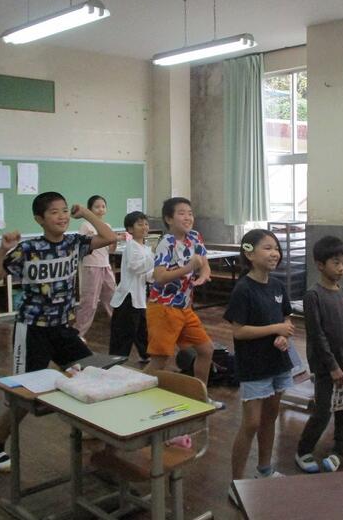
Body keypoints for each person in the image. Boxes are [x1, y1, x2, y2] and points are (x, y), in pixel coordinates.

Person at [0, 191, 117, 471]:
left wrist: (86, 213)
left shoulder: (74, 243)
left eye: (64, 210)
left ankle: (95, 435)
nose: (62, 216)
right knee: (23, 394)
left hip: (63, 329)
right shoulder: (28, 249)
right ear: (39, 219)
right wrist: (3, 249)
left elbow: (109, 237)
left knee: (93, 374)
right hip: (32, 330)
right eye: (54, 212)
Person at [225, 229, 294, 505]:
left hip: (277, 362)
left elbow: (286, 319)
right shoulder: (243, 288)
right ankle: (236, 483)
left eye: (276, 248)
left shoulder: (277, 286)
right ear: (249, 254)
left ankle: (264, 470)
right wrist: (275, 328)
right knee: (251, 423)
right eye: (267, 248)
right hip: (253, 365)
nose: (274, 253)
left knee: (270, 417)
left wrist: (283, 334)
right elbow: (238, 331)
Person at [145, 197, 223, 409]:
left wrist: (204, 275)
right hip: (163, 307)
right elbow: (159, 277)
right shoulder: (166, 243)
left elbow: (204, 263)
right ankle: (136, 396)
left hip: (184, 307)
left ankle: (200, 397)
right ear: (169, 219)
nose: (187, 217)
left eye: (190, 213)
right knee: (160, 360)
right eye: (181, 213)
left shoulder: (195, 236)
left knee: (206, 350)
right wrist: (188, 268)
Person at [295, 236, 343, 474]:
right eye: (336, 263)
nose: (342, 268)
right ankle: (303, 450)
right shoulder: (313, 295)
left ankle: (338, 451)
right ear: (320, 264)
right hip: (326, 368)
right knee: (323, 412)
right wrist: (333, 366)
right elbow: (317, 335)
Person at [108, 211, 153, 360]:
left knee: (141, 328)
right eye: (140, 224)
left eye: (146, 224)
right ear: (130, 229)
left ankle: (145, 355)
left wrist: (159, 275)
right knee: (124, 331)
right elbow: (136, 267)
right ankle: (116, 360)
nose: (144, 227)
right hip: (128, 295)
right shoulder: (131, 246)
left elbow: (147, 274)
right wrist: (155, 259)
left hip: (139, 295)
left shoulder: (145, 248)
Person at [75, 195, 118, 339]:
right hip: (91, 267)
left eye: (103, 206)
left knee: (113, 297)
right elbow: (82, 247)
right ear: (89, 209)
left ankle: (119, 326)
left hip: (105, 266)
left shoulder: (107, 227)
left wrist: (115, 240)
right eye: (97, 206)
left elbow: (110, 250)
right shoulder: (85, 226)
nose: (100, 209)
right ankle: (78, 333)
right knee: (90, 302)